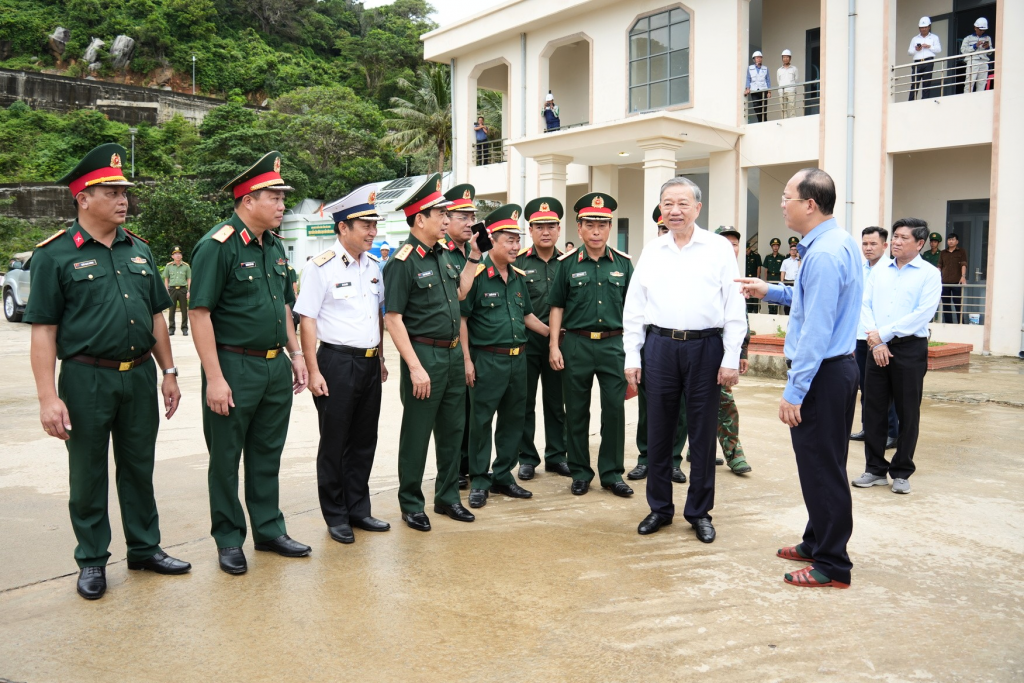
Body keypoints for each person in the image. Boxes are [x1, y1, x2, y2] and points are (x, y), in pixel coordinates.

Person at [25, 142, 190, 600]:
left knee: (139, 467)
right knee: (88, 471)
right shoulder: (54, 256)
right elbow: (43, 332)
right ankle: (93, 559)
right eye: (112, 191)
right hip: (85, 378)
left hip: (137, 374)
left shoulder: (139, 249)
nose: (124, 199)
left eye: (124, 191)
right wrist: (47, 397)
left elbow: (158, 315)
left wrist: (169, 371)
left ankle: (144, 548)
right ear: (83, 198)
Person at [737, 168, 861, 589]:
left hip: (823, 373)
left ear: (810, 204)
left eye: (786, 196)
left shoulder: (824, 254)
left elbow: (817, 329)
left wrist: (795, 391)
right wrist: (768, 290)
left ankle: (832, 564)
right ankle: (817, 539)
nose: (782, 203)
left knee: (822, 468)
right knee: (824, 464)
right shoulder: (834, 242)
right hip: (836, 369)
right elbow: (810, 298)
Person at [189, 151, 311, 575]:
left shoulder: (274, 247)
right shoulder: (217, 245)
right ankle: (228, 538)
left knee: (266, 454)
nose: (282, 204)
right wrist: (214, 378)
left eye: (282, 197)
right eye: (273, 196)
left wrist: (295, 355)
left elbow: (284, 307)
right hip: (234, 367)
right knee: (225, 458)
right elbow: (199, 313)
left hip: (274, 366)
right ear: (247, 200)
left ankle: (269, 529)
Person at [623, 178, 745, 542]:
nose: (674, 210)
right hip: (659, 347)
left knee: (703, 433)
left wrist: (731, 357)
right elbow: (635, 307)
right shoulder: (653, 250)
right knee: (658, 430)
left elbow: (733, 306)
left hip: (705, 348)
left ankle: (699, 512)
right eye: (667, 204)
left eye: (682, 203)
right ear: (661, 209)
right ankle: (659, 508)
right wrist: (633, 354)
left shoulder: (718, 249)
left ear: (697, 208)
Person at [383, 173, 482, 532]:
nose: (446, 219)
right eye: (439, 213)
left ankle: (447, 497)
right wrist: (414, 366)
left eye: (445, 213)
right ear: (419, 218)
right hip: (424, 356)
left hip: (454, 355)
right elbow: (393, 318)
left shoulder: (444, 255)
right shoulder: (402, 261)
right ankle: (411, 503)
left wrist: (473, 258)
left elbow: (459, 294)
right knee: (417, 433)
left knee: (453, 431)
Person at [294, 185, 390, 545]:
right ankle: (335, 515)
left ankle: (358, 509)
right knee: (335, 441)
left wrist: (380, 356)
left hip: (368, 363)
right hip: (335, 361)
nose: (371, 231)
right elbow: (307, 319)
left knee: (365, 440)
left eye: (373, 224)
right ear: (342, 228)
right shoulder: (321, 267)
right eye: (364, 224)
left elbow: (377, 317)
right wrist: (313, 369)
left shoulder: (375, 265)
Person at [461, 205, 550, 508]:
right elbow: (462, 320)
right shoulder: (477, 276)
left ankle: (503, 476)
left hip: (518, 359)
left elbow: (527, 316)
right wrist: (467, 360)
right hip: (487, 359)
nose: (516, 246)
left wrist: (554, 334)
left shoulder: (518, 277)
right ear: (493, 242)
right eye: (509, 240)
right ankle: (480, 480)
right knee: (481, 421)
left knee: (514, 420)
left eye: (517, 240)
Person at [548, 192, 634, 498]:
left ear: (610, 227)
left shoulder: (624, 265)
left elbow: (634, 311)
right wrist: (554, 346)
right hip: (576, 345)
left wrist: (635, 354)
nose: (596, 230)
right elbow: (556, 306)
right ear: (579, 228)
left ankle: (612, 474)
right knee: (577, 412)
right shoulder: (567, 264)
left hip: (613, 346)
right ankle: (581, 472)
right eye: (589, 224)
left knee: (614, 412)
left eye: (602, 224)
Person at [854, 218, 942, 495]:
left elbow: (922, 314)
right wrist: (876, 341)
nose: (896, 241)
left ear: (919, 243)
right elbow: (864, 305)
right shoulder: (880, 271)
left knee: (907, 413)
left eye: (903, 238)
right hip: (876, 347)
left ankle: (902, 470)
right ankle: (875, 469)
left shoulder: (929, 274)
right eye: (895, 236)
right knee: (874, 410)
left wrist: (884, 335)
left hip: (909, 349)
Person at [682, 226, 753, 476]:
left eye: (735, 243)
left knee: (723, 403)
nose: (731, 247)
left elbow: (741, 317)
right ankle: (703, 447)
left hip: (726, 353)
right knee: (704, 401)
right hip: (703, 347)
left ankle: (733, 454)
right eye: (727, 242)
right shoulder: (703, 269)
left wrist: (741, 352)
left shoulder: (737, 277)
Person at [628, 206, 689, 486]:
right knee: (649, 408)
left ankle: (674, 460)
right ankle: (646, 458)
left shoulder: (695, 256)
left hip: (689, 346)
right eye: (662, 228)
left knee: (681, 410)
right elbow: (636, 306)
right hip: (654, 343)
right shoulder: (651, 255)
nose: (667, 233)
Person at [517, 197, 571, 480]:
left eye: (551, 226)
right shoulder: (518, 262)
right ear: (531, 230)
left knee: (556, 402)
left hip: (559, 345)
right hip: (526, 344)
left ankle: (556, 455)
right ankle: (527, 457)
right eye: (539, 226)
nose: (545, 231)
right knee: (524, 403)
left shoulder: (568, 263)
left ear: (559, 229)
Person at [441, 184, 478, 490]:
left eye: (471, 216)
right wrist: (465, 357)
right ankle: (455, 471)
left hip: (481, 346)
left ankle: (468, 466)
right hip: (453, 346)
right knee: (455, 416)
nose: (469, 223)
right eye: (462, 217)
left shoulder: (474, 252)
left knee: (471, 412)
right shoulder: (442, 254)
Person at [850, 227, 899, 448]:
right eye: (865, 244)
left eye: (873, 244)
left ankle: (891, 432)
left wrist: (881, 337)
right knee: (865, 387)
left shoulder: (892, 270)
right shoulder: (859, 270)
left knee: (884, 389)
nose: (868, 248)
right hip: (860, 337)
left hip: (882, 339)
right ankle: (868, 428)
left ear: (885, 246)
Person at [908, 17, 942, 101]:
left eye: (925, 27)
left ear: (929, 27)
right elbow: (909, 52)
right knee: (914, 83)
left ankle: (925, 100)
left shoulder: (934, 37)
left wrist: (929, 46)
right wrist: (916, 49)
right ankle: (911, 101)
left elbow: (939, 50)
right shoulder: (915, 39)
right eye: (921, 27)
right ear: (919, 28)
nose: (923, 29)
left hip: (928, 61)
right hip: (917, 62)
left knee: (927, 83)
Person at [938, 233, 968, 324]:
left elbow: (964, 264)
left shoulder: (961, 251)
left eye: (953, 239)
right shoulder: (943, 252)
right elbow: (939, 266)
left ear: (957, 241)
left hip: (956, 281)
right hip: (945, 282)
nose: (950, 241)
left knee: (958, 303)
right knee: (946, 304)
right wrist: (937, 278)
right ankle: (948, 323)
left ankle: (961, 323)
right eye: (949, 240)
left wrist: (963, 277)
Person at [164, 246, 191, 336]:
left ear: (182, 255)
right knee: (171, 310)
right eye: (175, 254)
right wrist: (166, 290)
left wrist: (189, 291)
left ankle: (184, 329)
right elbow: (166, 279)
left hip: (183, 289)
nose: (178, 255)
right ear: (172, 256)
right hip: (172, 289)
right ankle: (171, 329)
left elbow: (189, 279)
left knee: (184, 310)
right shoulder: (169, 266)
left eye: (179, 254)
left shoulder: (186, 266)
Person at [961, 18, 993, 94]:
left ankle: (980, 99)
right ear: (975, 28)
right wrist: (975, 46)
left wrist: (988, 47)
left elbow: (990, 52)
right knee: (970, 82)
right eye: (980, 30)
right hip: (972, 61)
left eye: (983, 30)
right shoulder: (968, 38)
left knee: (982, 82)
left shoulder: (988, 38)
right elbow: (963, 51)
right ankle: (967, 99)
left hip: (984, 61)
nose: (982, 31)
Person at [745, 51, 771, 122]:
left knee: (764, 108)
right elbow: (748, 78)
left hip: (763, 90)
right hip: (754, 90)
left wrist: (769, 91)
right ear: (754, 59)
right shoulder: (750, 68)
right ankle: (760, 120)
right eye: (757, 58)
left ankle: (764, 121)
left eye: (760, 58)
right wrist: (747, 88)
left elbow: (768, 80)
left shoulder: (765, 68)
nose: (759, 59)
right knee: (756, 105)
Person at [762, 237, 785, 314]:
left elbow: (783, 270)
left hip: (777, 278)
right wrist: (766, 280)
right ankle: (771, 311)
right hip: (770, 278)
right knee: (769, 294)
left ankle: (777, 311)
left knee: (777, 295)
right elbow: (766, 270)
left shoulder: (782, 257)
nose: (775, 247)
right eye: (774, 246)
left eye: (777, 246)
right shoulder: (768, 257)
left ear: (779, 247)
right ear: (771, 247)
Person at [780, 240, 801, 315]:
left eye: (795, 250)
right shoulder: (785, 261)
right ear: (789, 251)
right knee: (787, 299)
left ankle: (795, 314)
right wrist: (782, 282)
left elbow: (800, 268)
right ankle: (786, 314)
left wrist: (798, 258)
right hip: (787, 282)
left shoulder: (799, 261)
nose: (793, 251)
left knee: (796, 299)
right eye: (792, 250)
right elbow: (783, 272)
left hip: (795, 282)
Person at [777, 49, 799, 119]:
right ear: (782, 58)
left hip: (791, 90)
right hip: (781, 91)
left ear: (790, 58)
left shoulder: (794, 69)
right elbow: (778, 81)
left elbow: (796, 79)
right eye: (784, 57)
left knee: (792, 107)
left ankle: (793, 120)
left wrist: (793, 88)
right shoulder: (779, 70)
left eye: (787, 57)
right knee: (783, 108)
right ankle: (784, 121)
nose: (785, 59)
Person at [745, 240, 762, 313]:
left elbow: (759, 267)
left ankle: (756, 310)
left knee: (755, 296)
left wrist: (757, 277)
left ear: (750, 249)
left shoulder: (756, 255)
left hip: (754, 278)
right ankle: (748, 309)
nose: (746, 252)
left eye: (747, 250)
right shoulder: (743, 256)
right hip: (746, 279)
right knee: (747, 295)